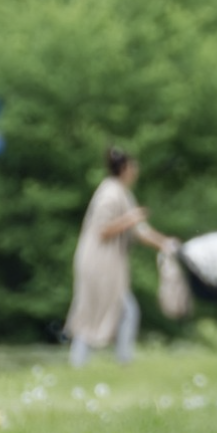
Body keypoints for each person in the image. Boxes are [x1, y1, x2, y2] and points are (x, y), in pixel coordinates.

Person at [65, 147, 176, 368]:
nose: (136, 171)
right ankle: (119, 361)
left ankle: (84, 363)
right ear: (125, 168)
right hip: (98, 262)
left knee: (103, 309)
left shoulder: (122, 193)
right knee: (110, 309)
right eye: (133, 167)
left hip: (107, 263)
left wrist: (166, 243)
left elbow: (140, 231)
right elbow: (103, 230)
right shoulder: (110, 193)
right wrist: (130, 218)